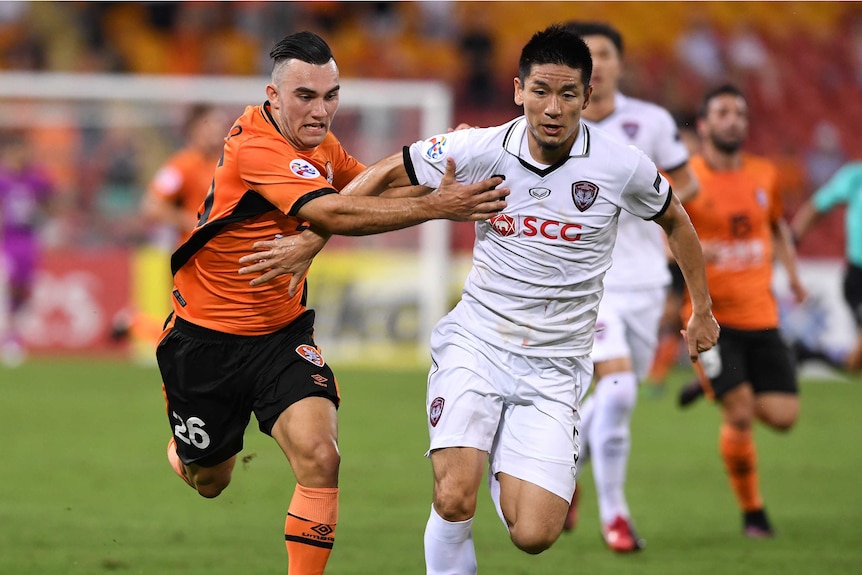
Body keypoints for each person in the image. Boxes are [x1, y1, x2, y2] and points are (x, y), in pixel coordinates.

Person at [244, 25, 719, 573]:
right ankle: (474, 463)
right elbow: (382, 173)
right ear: (518, 90)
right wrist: (312, 239)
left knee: (535, 534)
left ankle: (505, 460)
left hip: (556, 362)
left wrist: (701, 308)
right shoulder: (480, 147)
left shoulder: (621, 165)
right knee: (452, 496)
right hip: (477, 343)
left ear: (588, 98)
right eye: (540, 90)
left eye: (568, 94)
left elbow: (676, 220)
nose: (553, 107)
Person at [156, 31, 508, 575]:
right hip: (205, 339)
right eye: (305, 96)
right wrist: (441, 205)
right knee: (210, 481)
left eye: (331, 95)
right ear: (273, 97)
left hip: (281, 335)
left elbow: (370, 191)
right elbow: (336, 215)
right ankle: (185, 449)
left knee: (322, 458)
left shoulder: (320, 146)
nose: (321, 110)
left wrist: (450, 165)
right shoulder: (255, 144)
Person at [559, 21, 700, 552]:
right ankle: (615, 516)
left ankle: (565, 470)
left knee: (621, 392)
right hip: (588, 282)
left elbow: (688, 183)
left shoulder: (652, 122)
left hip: (644, 281)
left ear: (617, 63)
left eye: (604, 54)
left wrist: (656, 203)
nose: (597, 61)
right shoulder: (554, 125)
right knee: (616, 388)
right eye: (586, 54)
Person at [676, 84, 806, 538]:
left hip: (761, 316)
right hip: (710, 318)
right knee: (742, 414)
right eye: (723, 113)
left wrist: (792, 276)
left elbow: (778, 230)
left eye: (741, 113)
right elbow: (663, 237)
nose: (734, 120)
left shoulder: (765, 174)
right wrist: (691, 256)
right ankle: (754, 514)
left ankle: (709, 387)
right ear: (706, 125)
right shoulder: (685, 178)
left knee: (785, 417)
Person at [111, 104, 230, 349]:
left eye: (220, 126)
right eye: (211, 126)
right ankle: (137, 324)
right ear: (194, 130)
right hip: (191, 257)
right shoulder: (183, 164)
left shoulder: (225, 164)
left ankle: (135, 323)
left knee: (201, 330)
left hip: (221, 254)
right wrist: (189, 221)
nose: (218, 132)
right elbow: (151, 205)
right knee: (196, 329)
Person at [791, 160, 862, 372]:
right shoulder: (855, 177)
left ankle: (809, 353)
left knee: (855, 364)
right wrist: (793, 238)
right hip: (859, 278)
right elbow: (817, 205)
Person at [0, 129, 53, 366]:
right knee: (7, 286)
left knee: (24, 289)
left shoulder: (34, 178)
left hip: (29, 240)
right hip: (7, 239)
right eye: (17, 150)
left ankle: (14, 334)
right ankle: (8, 337)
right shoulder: (2, 178)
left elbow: (53, 196)